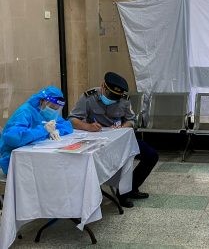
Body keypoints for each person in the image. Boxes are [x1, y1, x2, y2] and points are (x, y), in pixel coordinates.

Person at [68, 71, 159, 208]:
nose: (112, 99)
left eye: (116, 97)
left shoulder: (123, 99)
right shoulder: (88, 97)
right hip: (97, 139)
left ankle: (131, 188)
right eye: (110, 95)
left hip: (120, 138)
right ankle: (106, 195)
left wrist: (123, 127)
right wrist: (87, 126)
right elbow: (72, 119)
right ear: (103, 86)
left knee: (151, 155)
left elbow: (131, 120)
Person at [0, 86, 73, 174]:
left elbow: (67, 126)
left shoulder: (48, 114)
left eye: (57, 108)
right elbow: (13, 138)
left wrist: (56, 131)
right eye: (52, 107)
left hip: (37, 157)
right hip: (14, 161)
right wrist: (43, 130)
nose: (54, 110)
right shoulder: (25, 111)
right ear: (42, 101)